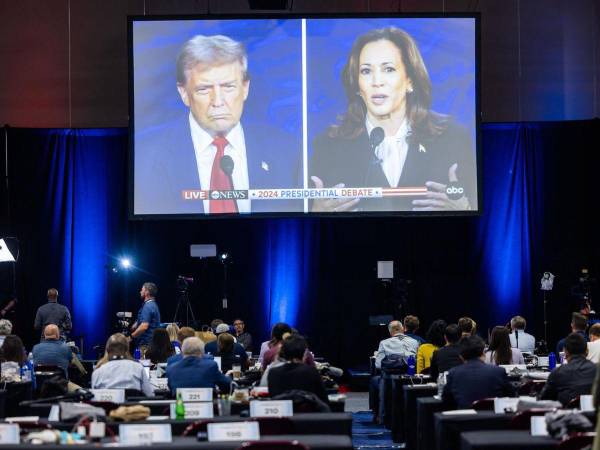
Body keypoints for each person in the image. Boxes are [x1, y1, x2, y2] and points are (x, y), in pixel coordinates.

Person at [310, 26, 476, 213]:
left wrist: (466, 207)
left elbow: (475, 219)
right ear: (357, 85)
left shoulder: (452, 138)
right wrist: (316, 213)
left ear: (410, 80)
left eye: (388, 69)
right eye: (366, 71)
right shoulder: (328, 146)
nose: (377, 81)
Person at [135, 34, 302, 215]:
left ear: (245, 88)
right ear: (184, 93)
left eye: (228, 86)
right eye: (204, 89)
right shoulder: (145, 156)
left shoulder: (287, 149)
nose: (218, 101)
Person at [442, 336, 515, 409]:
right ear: (483, 352)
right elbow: (512, 396)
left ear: (460, 356)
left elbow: (447, 402)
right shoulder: (499, 371)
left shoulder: (453, 374)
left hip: (465, 419)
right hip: (494, 418)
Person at [268, 335, 328, 404]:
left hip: (282, 413)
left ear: (283, 352)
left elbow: (273, 401)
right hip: (308, 414)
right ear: (304, 353)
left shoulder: (273, 373)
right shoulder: (312, 372)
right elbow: (323, 400)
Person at [540, 333, 597, 406]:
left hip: (564, 415)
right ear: (587, 351)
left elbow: (543, 401)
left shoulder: (557, 372)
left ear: (565, 352)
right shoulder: (597, 370)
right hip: (592, 416)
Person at [166, 337, 231, 394]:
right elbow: (227, 385)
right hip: (206, 406)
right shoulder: (211, 366)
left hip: (180, 406)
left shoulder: (171, 369)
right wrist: (229, 377)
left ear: (182, 350)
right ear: (202, 351)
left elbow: (171, 388)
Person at [130, 282, 161, 350]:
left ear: (147, 292)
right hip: (150, 344)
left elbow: (144, 326)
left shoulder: (148, 306)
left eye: (142, 289)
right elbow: (145, 321)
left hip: (145, 346)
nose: (140, 291)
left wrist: (131, 337)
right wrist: (135, 325)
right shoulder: (152, 305)